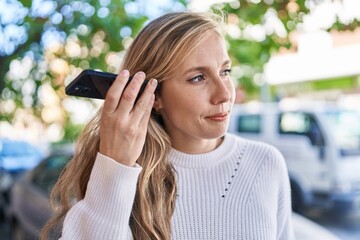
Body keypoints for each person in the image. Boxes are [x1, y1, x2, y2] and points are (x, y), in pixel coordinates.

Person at [41, 10, 295, 240]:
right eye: (198, 78)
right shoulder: (129, 177)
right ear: (155, 97)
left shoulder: (266, 163)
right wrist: (115, 165)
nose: (224, 94)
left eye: (225, 71)